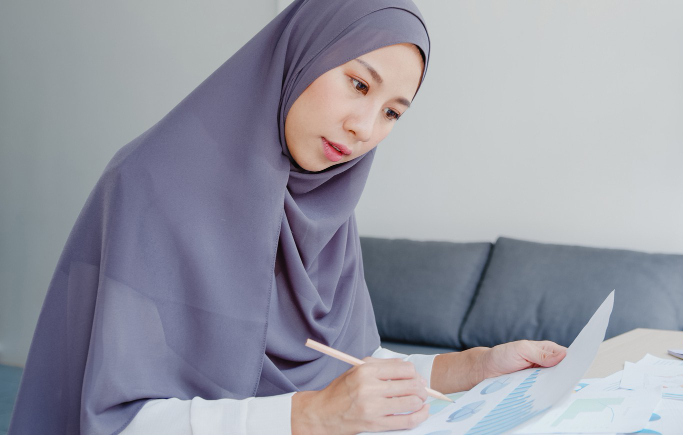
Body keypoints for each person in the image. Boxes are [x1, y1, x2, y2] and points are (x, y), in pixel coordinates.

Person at [7, 1, 567, 434]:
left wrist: (472, 368)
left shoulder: (321, 204)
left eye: (392, 111)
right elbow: (117, 421)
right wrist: (310, 417)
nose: (364, 128)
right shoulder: (150, 186)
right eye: (358, 83)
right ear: (305, 51)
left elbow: (349, 368)